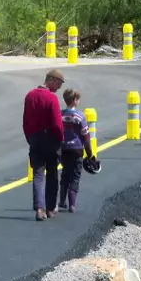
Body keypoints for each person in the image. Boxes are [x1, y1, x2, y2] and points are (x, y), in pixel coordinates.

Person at [22, 69, 65, 221]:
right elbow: (57, 123)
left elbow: (25, 121)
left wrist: (30, 138)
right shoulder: (52, 98)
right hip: (50, 139)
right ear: (51, 80)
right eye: (58, 84)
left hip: (34, 138)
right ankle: (50, 207)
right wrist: (60, 139)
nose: (58, 88)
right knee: (52, 173)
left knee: (38, 174)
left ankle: (39, 208)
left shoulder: (30, 96)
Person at [59, 89, 94, 213]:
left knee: (65, 174)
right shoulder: (80, 116)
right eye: (78, 99)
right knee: (75, 176)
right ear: (74, 101)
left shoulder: (60, 115)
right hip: (77, 150)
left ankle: (61, 201)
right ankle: (72, 205)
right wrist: (90, 154)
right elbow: (86, 136)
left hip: (63, 150)